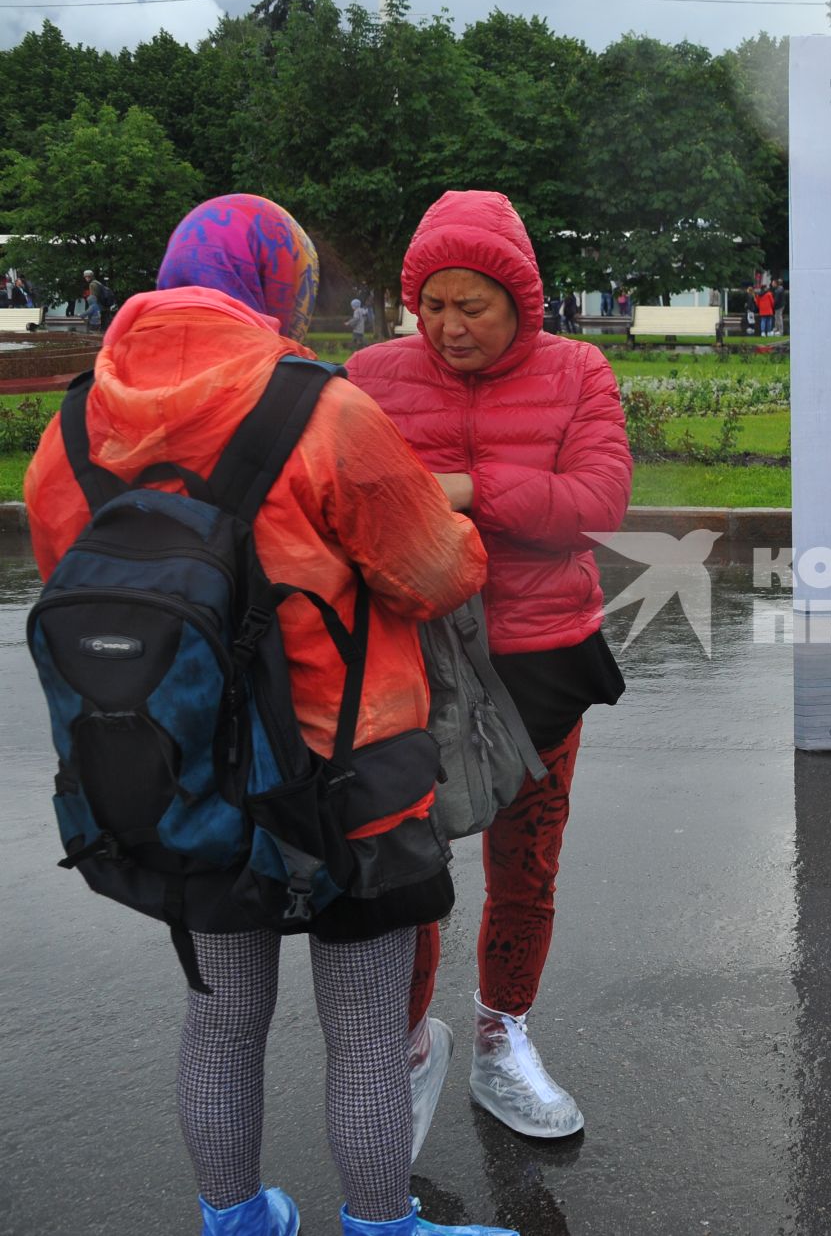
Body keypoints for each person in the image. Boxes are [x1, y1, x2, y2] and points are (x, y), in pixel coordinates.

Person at [24, 194, 512, 1235]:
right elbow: (433, 572)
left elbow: (75, 584)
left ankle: (237, 1216)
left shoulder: (71, 428)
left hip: (184, 780)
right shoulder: (320, 410)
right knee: (368, 1035)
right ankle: (383, 1224)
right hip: (353, 777)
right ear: (274, 284)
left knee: (219, 1020)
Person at [347, 190, 632, 1144]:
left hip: (540, 661)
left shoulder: (578, 369)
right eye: (432, 305)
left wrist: (467, 489)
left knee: (525, 864)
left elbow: (597, 499)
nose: (448, 326)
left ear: (521, 301)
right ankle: (407, 1042)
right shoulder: (370, 375)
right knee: (407, 865)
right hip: (408, 661)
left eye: (472, 305)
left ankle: (502, 1035)